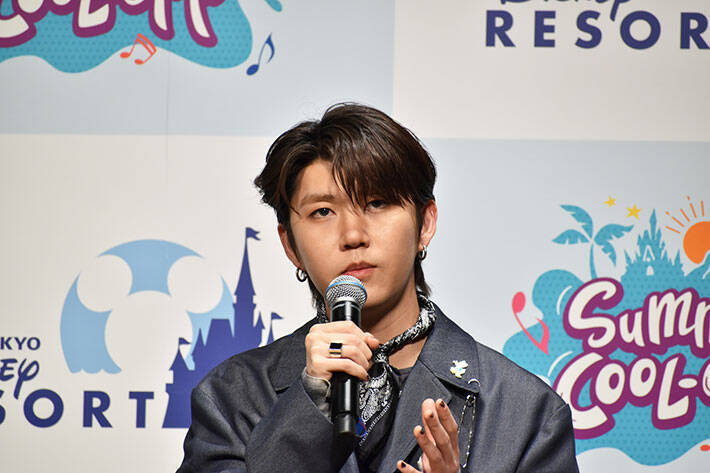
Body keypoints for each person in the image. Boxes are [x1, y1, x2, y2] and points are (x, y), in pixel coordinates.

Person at [176, 103, 579, 473]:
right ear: (290, 245)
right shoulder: (232, 397)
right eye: (323, 211)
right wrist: (309, 402)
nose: (353, 235)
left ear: (425, 224)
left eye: (377, 203)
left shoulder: (527, 413)